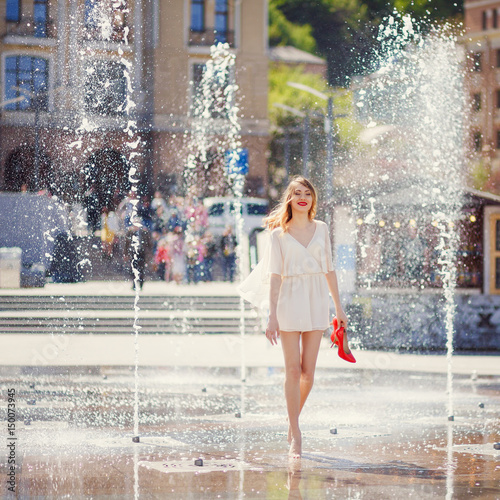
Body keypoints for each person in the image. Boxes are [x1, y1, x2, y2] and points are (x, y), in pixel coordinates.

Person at [238, 176, 352, 459]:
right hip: (288, 300)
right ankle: (296, 434)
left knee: (308, 374)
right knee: (291, 371)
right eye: (297, 193)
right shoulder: (278, 234)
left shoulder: (322, 228)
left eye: (308, 193)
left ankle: (292, 421)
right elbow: (275, 276)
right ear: (289, 199)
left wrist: (339, 308)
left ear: (313, 199)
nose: (303, 197)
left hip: (315, 300)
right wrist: (272, 316)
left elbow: (329, 270)